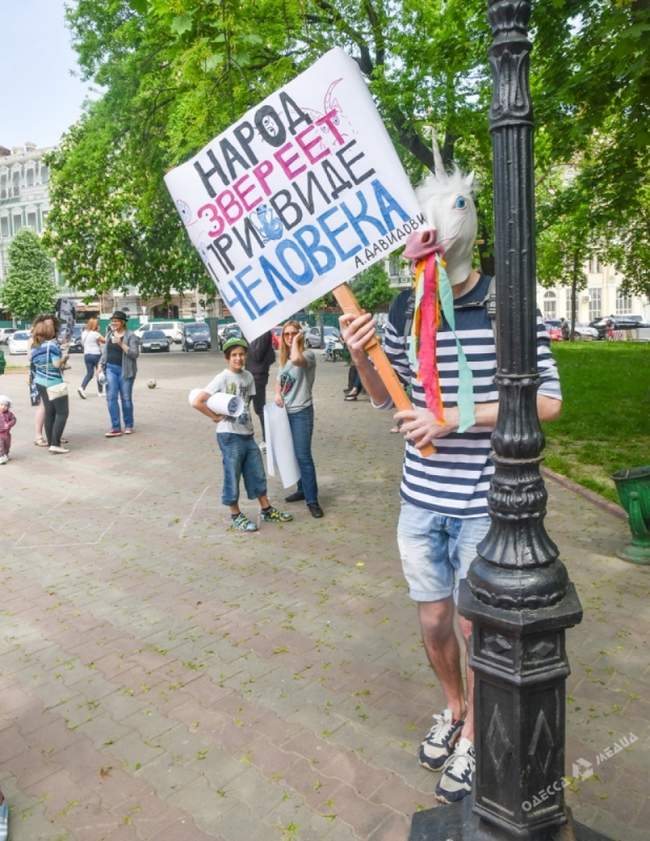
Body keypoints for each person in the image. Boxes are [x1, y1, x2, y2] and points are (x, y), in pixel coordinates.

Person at [339, 149, 562, 804]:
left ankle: (472, 743)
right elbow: (391, 402)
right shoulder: (406, 312)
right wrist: (362, 353)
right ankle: (457, 705)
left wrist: (454, 420)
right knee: (434, 619)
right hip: (420, 501)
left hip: (485, 503)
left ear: (472, 228)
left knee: (472, 624)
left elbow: (547, 401)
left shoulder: (509, 309)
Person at [192, 336, 293, 532]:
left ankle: (266, 509)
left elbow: (247, 405)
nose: (238, 358)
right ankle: (235, 514)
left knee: (256, 472)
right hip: (229, 435)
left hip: (247, 433)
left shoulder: (248, 377)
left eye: (241, 354)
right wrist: (214, 417)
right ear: (227, 358)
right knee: (232, 474)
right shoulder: (222, 378)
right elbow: (198, 401)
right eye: (234, 355)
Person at [275, 320, 324, 518]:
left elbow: (297, 360)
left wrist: (295, 341)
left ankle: (312, 500)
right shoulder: (284, 359)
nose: (289, 337)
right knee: (294, 455)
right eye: (286, 334)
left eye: (293, 333)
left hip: (302, 412)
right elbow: (279, 380)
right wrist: (277, 394)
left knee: (303, 456)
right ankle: (302, 489)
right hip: (285, 412)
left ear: (299, 335)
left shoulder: (307, 355)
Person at [30, 317, 71, 454]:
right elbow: (56, 365)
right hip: (54, 382)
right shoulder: (52, 346)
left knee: (49, 412)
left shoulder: (35, 347)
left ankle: (51, 442)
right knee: (62, 412)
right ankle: (55, 443)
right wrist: (64, 357)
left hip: (40, 382)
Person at [100, 311, 139, 437]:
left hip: (125, 370)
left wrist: (121, 343)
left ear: (122, 322)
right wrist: (100, 366)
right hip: (110, 369)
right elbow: (105, 352)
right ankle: (116, 427)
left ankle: (128, 425)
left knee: (126, 398)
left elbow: (134, 354)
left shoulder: (131, 335)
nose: (114, 323)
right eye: (113, 321)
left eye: (116, 321)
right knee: (111, 397)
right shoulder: (109, 334)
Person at [246, 329, 275, 448]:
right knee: (243, 407)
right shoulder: (258, 332)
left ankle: (267, 440)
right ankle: (247, 437)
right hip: (252, 374)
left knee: (260, 409)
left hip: (256, 376)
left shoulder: (262, 332)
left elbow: (257, 354)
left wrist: (248, 338)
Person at [78, 317, 105, 398]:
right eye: (98, 325)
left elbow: (83, 344)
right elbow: (104, 341)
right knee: (99, 372)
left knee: (89, 373)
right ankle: (100, 392)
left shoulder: (84, 333)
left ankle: (82, 388)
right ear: (95, 325)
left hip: (87, 355)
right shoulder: (96, 334)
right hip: (96, 355)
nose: (99, 326)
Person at [0, 395, 16, 464]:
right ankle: (1, 456)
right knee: (1, 445)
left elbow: (14, 420)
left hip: (6, 434)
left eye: (6, 405)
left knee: (7, 445)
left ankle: (6, 454)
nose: (3, 407)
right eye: (1, 405)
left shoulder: (9, 414)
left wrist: (9, 424)